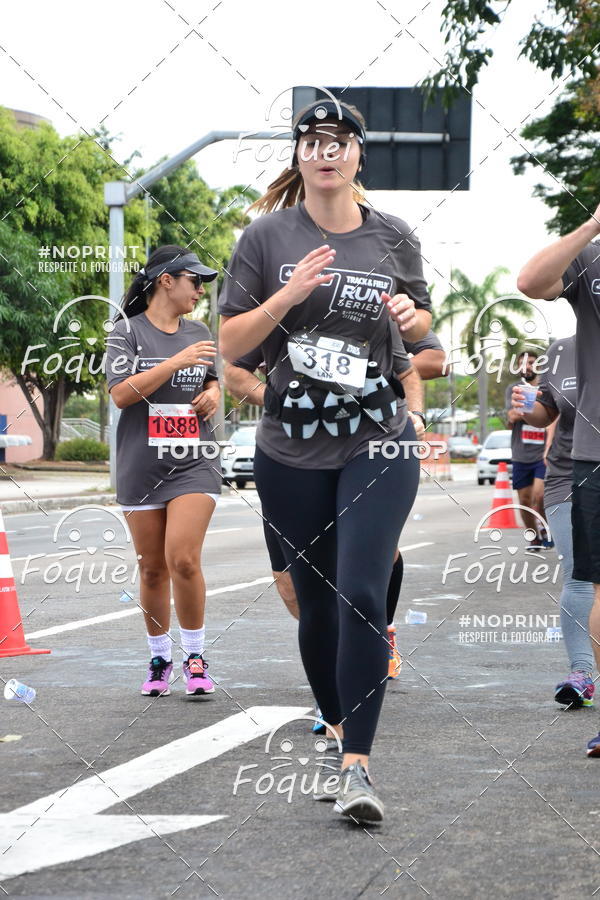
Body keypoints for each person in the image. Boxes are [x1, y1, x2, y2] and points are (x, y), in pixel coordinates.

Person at [218, 99, 431, 823]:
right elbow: (231, 343)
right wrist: (290, 293)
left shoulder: (393, 236)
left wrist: (410, 317)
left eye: (339, 141)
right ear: (299, 157)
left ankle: (358, 766)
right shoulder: (265, 237)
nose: (325, 152)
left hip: (378, 435)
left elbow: (423, 324)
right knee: (315, 604)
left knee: (361, 592)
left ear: (358, 154)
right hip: (290, 444)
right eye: (311, 142)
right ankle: (337, 733)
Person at [224, 328, 445, 684]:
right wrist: (279, 399)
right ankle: (336, 644)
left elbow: (434, 359)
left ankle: (376, 637)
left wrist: (369, 371)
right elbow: (234, 371)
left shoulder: (371, 306)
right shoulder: (280, 309)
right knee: (290, 586)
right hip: (292, 460)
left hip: (363, 451)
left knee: (370, 561)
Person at [106, 245, 221, 699]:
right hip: (142, 465)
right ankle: (159, 659)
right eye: (195, 280)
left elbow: (210, 379)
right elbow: (121, 394)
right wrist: (174, 362)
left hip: (194, 462)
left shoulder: (199, 332)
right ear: (166, 281)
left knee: (183, 558)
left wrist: (213, 392)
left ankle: (195, 657)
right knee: (152, 569)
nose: (200, 290)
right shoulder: (126, 332)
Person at [518, 213, 600, 756]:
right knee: (584, 578)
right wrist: (593, 225)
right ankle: (583, 674)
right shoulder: (566, 344)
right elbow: (530, 281)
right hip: (578, 468)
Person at [512, 336, 595, 709]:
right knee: (578, 572)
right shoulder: (561, 351)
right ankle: (581, 674)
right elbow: (546, 412)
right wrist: (529, 406)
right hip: (568, 474)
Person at [505, 350, 547, 550]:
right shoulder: (514, 389)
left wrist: (524, 410)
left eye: (531, 362)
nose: (527, 367)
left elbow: (553, 415)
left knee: (540, 496)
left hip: (543, 454)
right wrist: (537, 411)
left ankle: (546, 527)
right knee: (524, 500)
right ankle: (534, 536)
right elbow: (511, 416)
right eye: (522, 363)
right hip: (521, 454)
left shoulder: (547, 388)